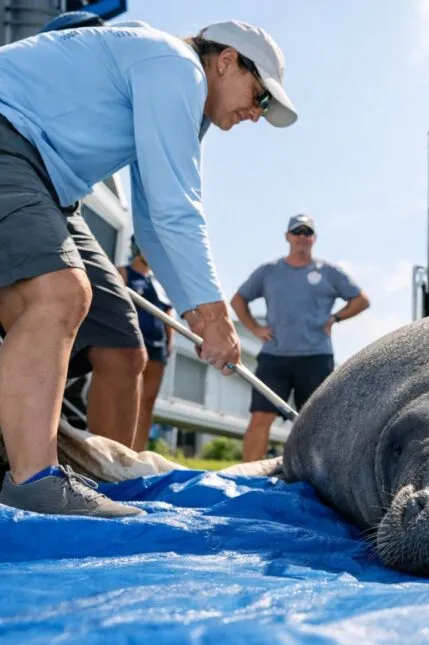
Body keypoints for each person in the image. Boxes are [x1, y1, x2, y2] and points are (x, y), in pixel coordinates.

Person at [0, 19, 299, 518]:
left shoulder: (179, 94)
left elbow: (154, 226)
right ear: (226, 61)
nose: (257, 113)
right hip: (9, 142)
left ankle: (104, 485)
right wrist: (215, 315)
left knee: (121, 346)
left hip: (52, 191)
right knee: (58, 293)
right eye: (260, 96)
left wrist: (198, 314)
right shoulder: (174, 66)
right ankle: (34, 481)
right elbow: (174, 208)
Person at [231, 214, 370, 462]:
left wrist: (335, 318)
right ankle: (247, 477)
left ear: (314, 238)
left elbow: (361, 300)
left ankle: (317, 477)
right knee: (261, 416)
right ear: (287, 236)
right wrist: (255, 328)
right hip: (275, 356)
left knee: (317, 422)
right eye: (297, 232)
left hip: (316, 356)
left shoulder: (329, 272)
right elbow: (238, 300)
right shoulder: (268, 271)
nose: (302, 237)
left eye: (307, 232)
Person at [119, 236, 174, 452]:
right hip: (130, 343)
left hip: (157, 347)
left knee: (147, 401)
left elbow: (168, 315)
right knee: (125, 396)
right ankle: (119, 448)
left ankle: (138, 452)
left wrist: (169, 343)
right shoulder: (123, 273)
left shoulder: (160, 283)